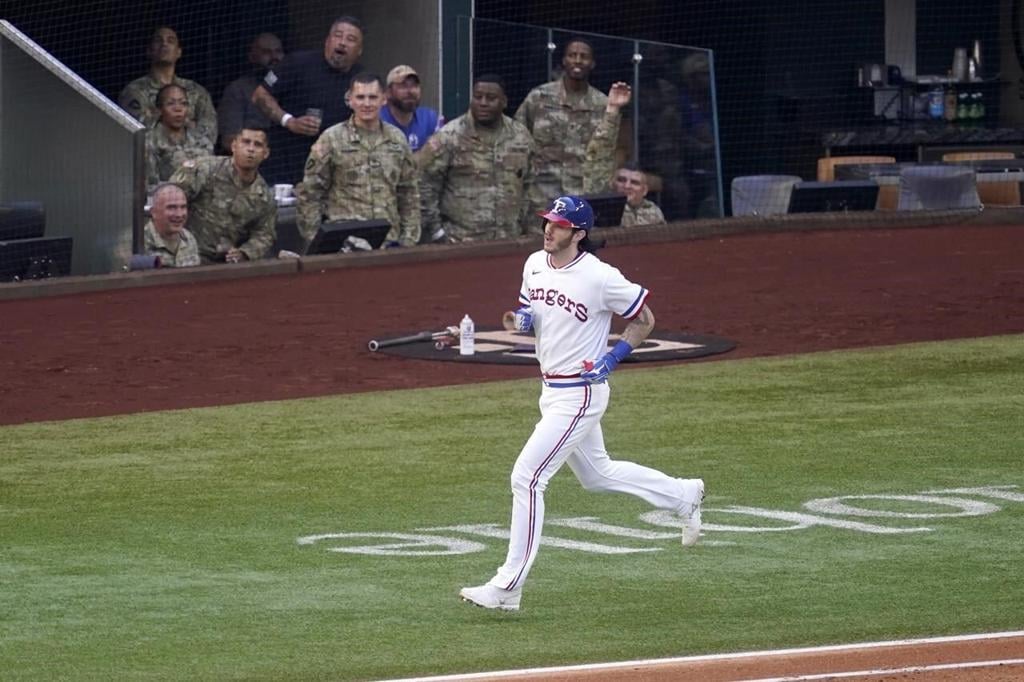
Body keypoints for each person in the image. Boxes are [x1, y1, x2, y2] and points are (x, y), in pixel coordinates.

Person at [459, 195, 705, 612]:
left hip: (581, 392)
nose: (548, 229)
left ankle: (507, 587)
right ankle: (683, 495)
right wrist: (524, 319)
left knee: (528, 478)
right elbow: (529, 308)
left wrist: (613, 358)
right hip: (551, 390)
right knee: (597, 474)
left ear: (579, 233)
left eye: (558, 224)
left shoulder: (600, 277)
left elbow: (644, 319)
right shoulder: (534, 263)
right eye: (547, 222)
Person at [295, 72, 420, 248]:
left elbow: (408, 192)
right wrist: (317, 242)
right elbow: (310, 194)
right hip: (344, 244)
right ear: (350, 100)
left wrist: (408, 240)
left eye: (372, 97)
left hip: (389, 243)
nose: (366, 104)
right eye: (360, 97)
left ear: (383, 99)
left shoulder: (397, 139)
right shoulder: (331, 139)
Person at [417, 74, 534, 243]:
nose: (483, 103)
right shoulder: (449, 137)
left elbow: (531, 186)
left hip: (510, 241)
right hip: (460, 241)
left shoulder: (521, 137)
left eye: (491, 98)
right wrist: (437, 233)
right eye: (478, 97)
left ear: (504, 102)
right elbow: (425, 186)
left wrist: (531, 231)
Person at [515, 37, 629, 211]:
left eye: (584, 57)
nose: (577, 60)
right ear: (563, 61)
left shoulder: (604, 104)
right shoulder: (539, 97)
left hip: (583, 196)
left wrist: (605, 180)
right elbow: (517, 138)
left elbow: (618, 148)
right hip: (541, 197)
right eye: (572, 55)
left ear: (592, 63)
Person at [251, 16, 365, 184]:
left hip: (332, 172)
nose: (342, 42)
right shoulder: (298, 62)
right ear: (327, 41)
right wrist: (289, 121)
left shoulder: (361, 79)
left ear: (359, 50)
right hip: (286, 166)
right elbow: (259, 95)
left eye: (351, 39)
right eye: (338, 35)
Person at [169, 127, 276, 263]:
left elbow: (264, 234)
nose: (251, 149)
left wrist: (244, 253)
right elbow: (168, 202)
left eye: (258, 145)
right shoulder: (204, 169)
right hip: (185, 255)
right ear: (233, 146)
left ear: (265, 153)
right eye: (246, 142)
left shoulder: (264, 196)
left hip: (227, 263)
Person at [119, 26, 217, 150]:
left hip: (191, 160)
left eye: (170, 40)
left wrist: (157, 117)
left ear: (179, 52)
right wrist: (187, 123)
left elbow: (210, 132)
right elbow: (138, 130)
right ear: (149, 50)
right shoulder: (134, 91)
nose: (164, 44)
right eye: (158, 40)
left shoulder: (197, 91)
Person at [217, 32, 285, 152]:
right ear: (252, 57)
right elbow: (228, 140)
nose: (274, 57)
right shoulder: (238, 90)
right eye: (266, 52)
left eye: (278, 51)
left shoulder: (294, 87)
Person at [145, 84, 213, 192]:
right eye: (170, 103)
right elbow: (150, 186)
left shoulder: (201, 140)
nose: (178, 109)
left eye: (184, 103)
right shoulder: (149, 141)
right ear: (159, 110)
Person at [380, 65, 443, 152]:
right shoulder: (378, 120)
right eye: (403, 86)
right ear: (388, 93)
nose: (410, 91)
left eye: (415, 86)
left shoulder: (429, 118)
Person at [143, 183, 199, 267]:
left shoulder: (189, 239)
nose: (179, 215)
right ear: (153, 212)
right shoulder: (137, 242)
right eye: (171, 208)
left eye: (183, 207)